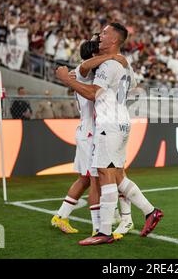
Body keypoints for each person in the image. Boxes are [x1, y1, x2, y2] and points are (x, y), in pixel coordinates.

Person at [56, 23, 163, 246]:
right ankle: (147, 212)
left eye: (104, 33)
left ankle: (103, 230)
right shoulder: (122, 64)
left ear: (114, 40)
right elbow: (132, 83)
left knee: (104, 175)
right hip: (122, 119)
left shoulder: (107, 66)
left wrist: (68, 80)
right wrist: (115, 59)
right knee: (114, 174)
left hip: (107, 122)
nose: (100, 36)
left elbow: (95, 93)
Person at [51, 53, 129, 240]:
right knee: (95, 179)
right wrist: (112, 57)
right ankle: (98, 227)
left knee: (86, 179)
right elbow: (94, 94)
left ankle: (61, 215)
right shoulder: (85, 76)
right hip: (90, 132)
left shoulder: (84, 75)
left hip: (88, 130)